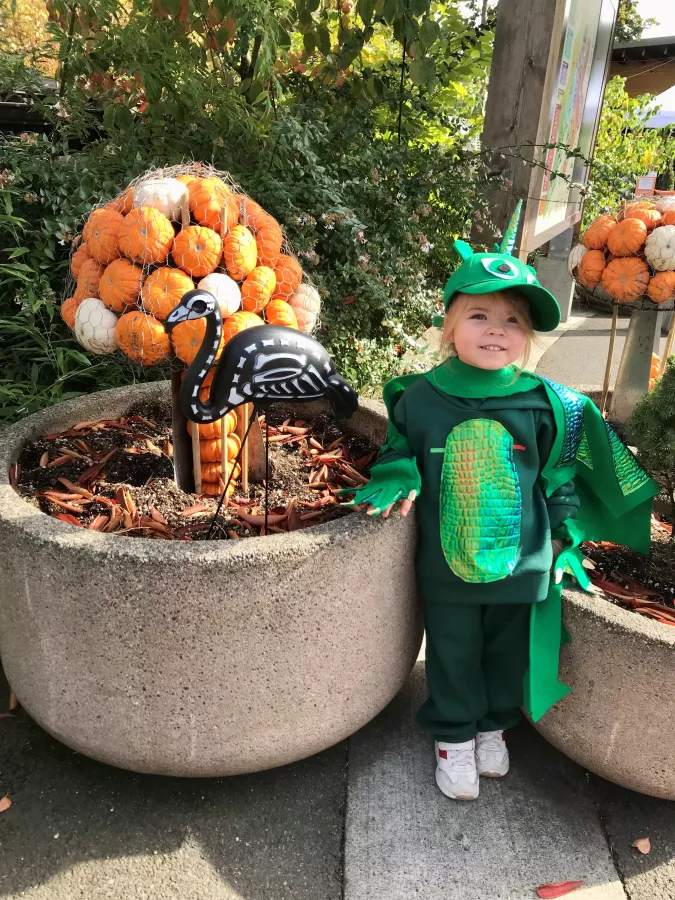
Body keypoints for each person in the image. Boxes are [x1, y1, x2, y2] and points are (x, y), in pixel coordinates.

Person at [343, 211, 658, 802]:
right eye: (479, 315)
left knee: (505, 651)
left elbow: (561, 474)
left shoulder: (549, 404)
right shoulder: (418, 398)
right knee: (454, 651)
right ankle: (454, 736)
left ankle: (493, 726)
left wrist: (564, 537)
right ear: (450, 326)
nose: (496, 330)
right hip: (447, 565)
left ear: (529, 337)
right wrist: (398, 472)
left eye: (512, 321)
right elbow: (396, 448)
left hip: (524, 564)